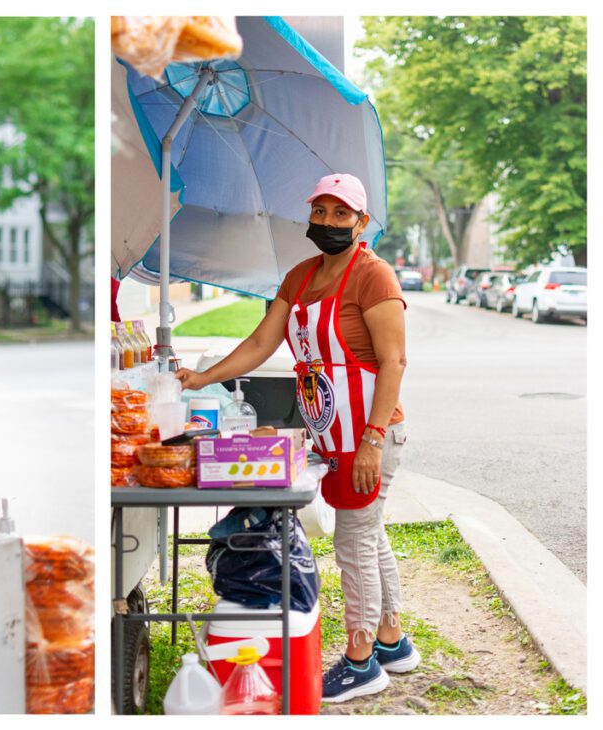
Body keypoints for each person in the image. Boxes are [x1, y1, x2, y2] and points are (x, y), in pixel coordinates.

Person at [175, 173, 418, 703]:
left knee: (354, 540)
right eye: (320, 212)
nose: (327, 222)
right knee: (368, 532)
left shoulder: (374, 277)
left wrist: (373, 440)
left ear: (361, 222)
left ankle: (360, 660)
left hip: (369, 431)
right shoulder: (300, 276)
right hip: (329, 430)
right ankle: (392, 642)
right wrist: (202, 377)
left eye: (340, 213)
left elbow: (393, 361)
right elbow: (262, 341)